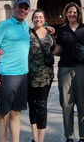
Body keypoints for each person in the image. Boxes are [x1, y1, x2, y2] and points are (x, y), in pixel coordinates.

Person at [0, 0, 31, 142]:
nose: (22, 10)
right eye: (20, 7)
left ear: (28, 11)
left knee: (16, 112)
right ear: (14, 8)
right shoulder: (4, 25)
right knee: (3, 113)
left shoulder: (26, 27)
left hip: (22, 75)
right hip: (7, 74)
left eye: (25, 8)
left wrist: (49, 28)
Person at [53, 3, 84, 142]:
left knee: (82, 102)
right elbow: (56, 50)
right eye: (69, 12)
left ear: (78, 13)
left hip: (82, 68)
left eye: (74, 12)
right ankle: (69, 136)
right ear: (66, 13)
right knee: (66, 103)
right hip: (65, 68)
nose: (72, 14)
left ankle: (82, 136)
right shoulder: (62, 30)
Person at [27, 9, 55, 142]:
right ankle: (34, 137)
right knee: (32, 106)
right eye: (36, 17)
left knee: (41, 107)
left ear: (44, 20)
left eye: (40, 17)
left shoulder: (50, 33)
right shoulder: (26, 33)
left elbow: (56, 48)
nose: (38, 19)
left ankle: (41, 140)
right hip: (29, 76)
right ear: (32, 19)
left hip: (45, 76)